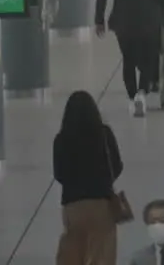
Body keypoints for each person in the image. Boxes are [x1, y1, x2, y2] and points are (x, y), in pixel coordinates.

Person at [53, 90, 123, 265]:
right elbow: (117, 165)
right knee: (102, 255)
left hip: (73, 206)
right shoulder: (104, 134)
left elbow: (59, 173)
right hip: (102, 205)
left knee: (73, 254)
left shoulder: (61, 139)